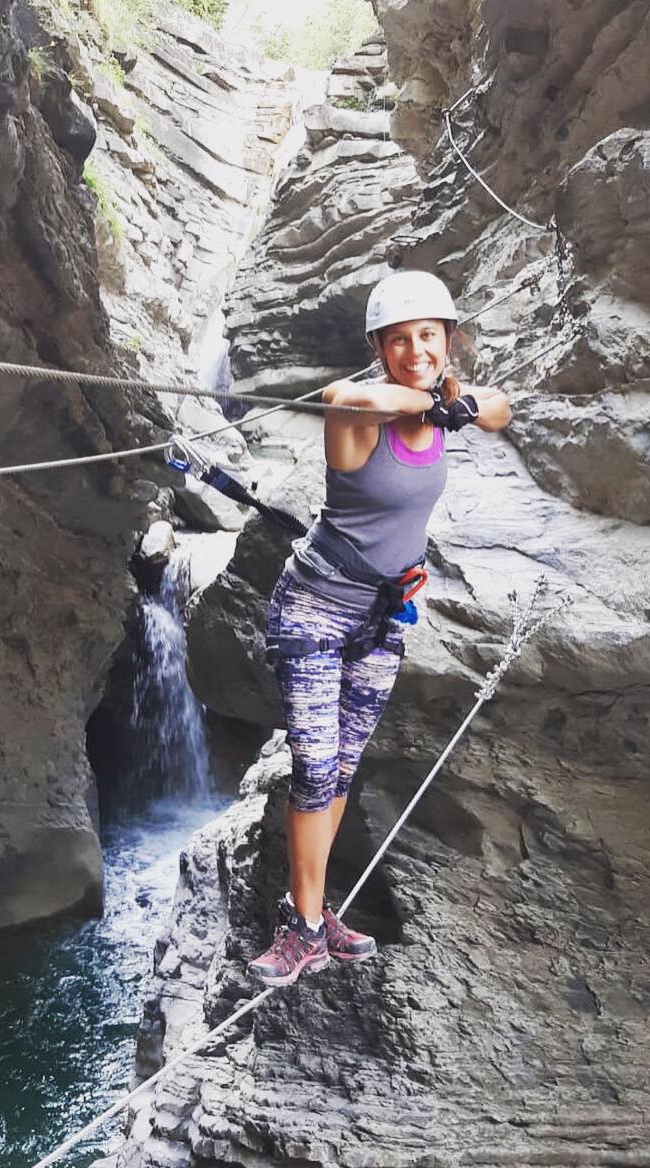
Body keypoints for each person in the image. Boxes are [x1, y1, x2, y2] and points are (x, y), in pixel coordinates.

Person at [248, 270, 512, 986]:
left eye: (429, 336)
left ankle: (315, 908)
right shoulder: (361, 415)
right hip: (312, 611)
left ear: (448, 339)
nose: (416, 350)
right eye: (400, 341)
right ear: (380, 348)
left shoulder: (446, 403)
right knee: (315, 767)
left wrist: (454, 402)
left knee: (341, 774)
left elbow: (503, 409)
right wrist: (432, 401)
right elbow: (348, 395)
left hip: (380, 621)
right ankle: (300, 926)